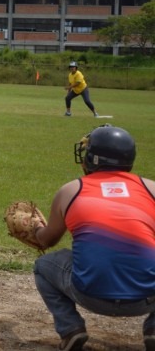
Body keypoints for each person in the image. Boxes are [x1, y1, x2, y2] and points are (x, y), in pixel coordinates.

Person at [33, 124, 155, 351]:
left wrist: (35, 229)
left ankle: (70, 329)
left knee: (42, 266)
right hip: (147, 298)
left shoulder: (71, 190)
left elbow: (47, 241)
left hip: (89, 294)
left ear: (92, 158)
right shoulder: (151, 189)